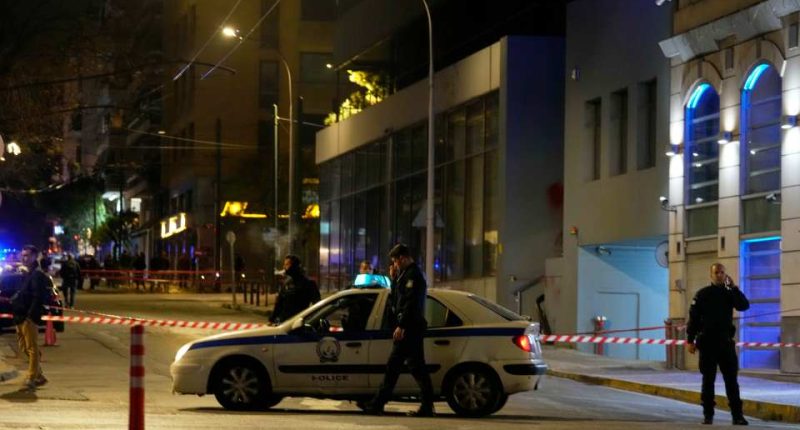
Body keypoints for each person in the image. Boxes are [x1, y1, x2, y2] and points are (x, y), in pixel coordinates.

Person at [363, 244, 434, 417]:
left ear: (402, 258)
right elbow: (396, 300)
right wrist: (394, 279)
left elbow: (410, 304)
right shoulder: (404, 275)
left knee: (394, 367)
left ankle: (378, 404)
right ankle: (426, 406)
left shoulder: (413, 275)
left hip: (409, 328)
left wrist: (401, 325)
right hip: (408, 328)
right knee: (415, 368)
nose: (394, 264)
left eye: (395, 261)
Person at [687, 262, 750, 426]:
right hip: (707, 343)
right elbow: (693, 319)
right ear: (711, 275)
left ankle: (737, 416)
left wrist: (734, 288)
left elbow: (744, 306)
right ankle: (708, 415)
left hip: (725, 343)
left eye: (722, 272)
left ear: (725, 275)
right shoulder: (702, 294)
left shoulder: (729, 293)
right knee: (708, 380)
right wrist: (690, 340)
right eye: (716, 272)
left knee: (731, 381)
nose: (719, 275)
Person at [11, 245, 49, 389]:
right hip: (19, 316)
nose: (23, 258)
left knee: (31, 348)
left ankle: (32, 377)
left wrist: (30, 316)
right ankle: (39, 374)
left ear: (34, 256)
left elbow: (37, 297)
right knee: (24, 347)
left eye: (27, 255)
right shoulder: (27, 273)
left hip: (28, 317)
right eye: (23, 255)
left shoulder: (37, 275)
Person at [269, 255, 320, 324]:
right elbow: (279, 303)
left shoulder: (308, 284)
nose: (284, 267)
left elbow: (317, 305)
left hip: (298, 323)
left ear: (294, 266)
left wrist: (311, 321)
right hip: (283, 323)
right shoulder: (287, 283)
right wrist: (272, 319)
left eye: (287, 264)